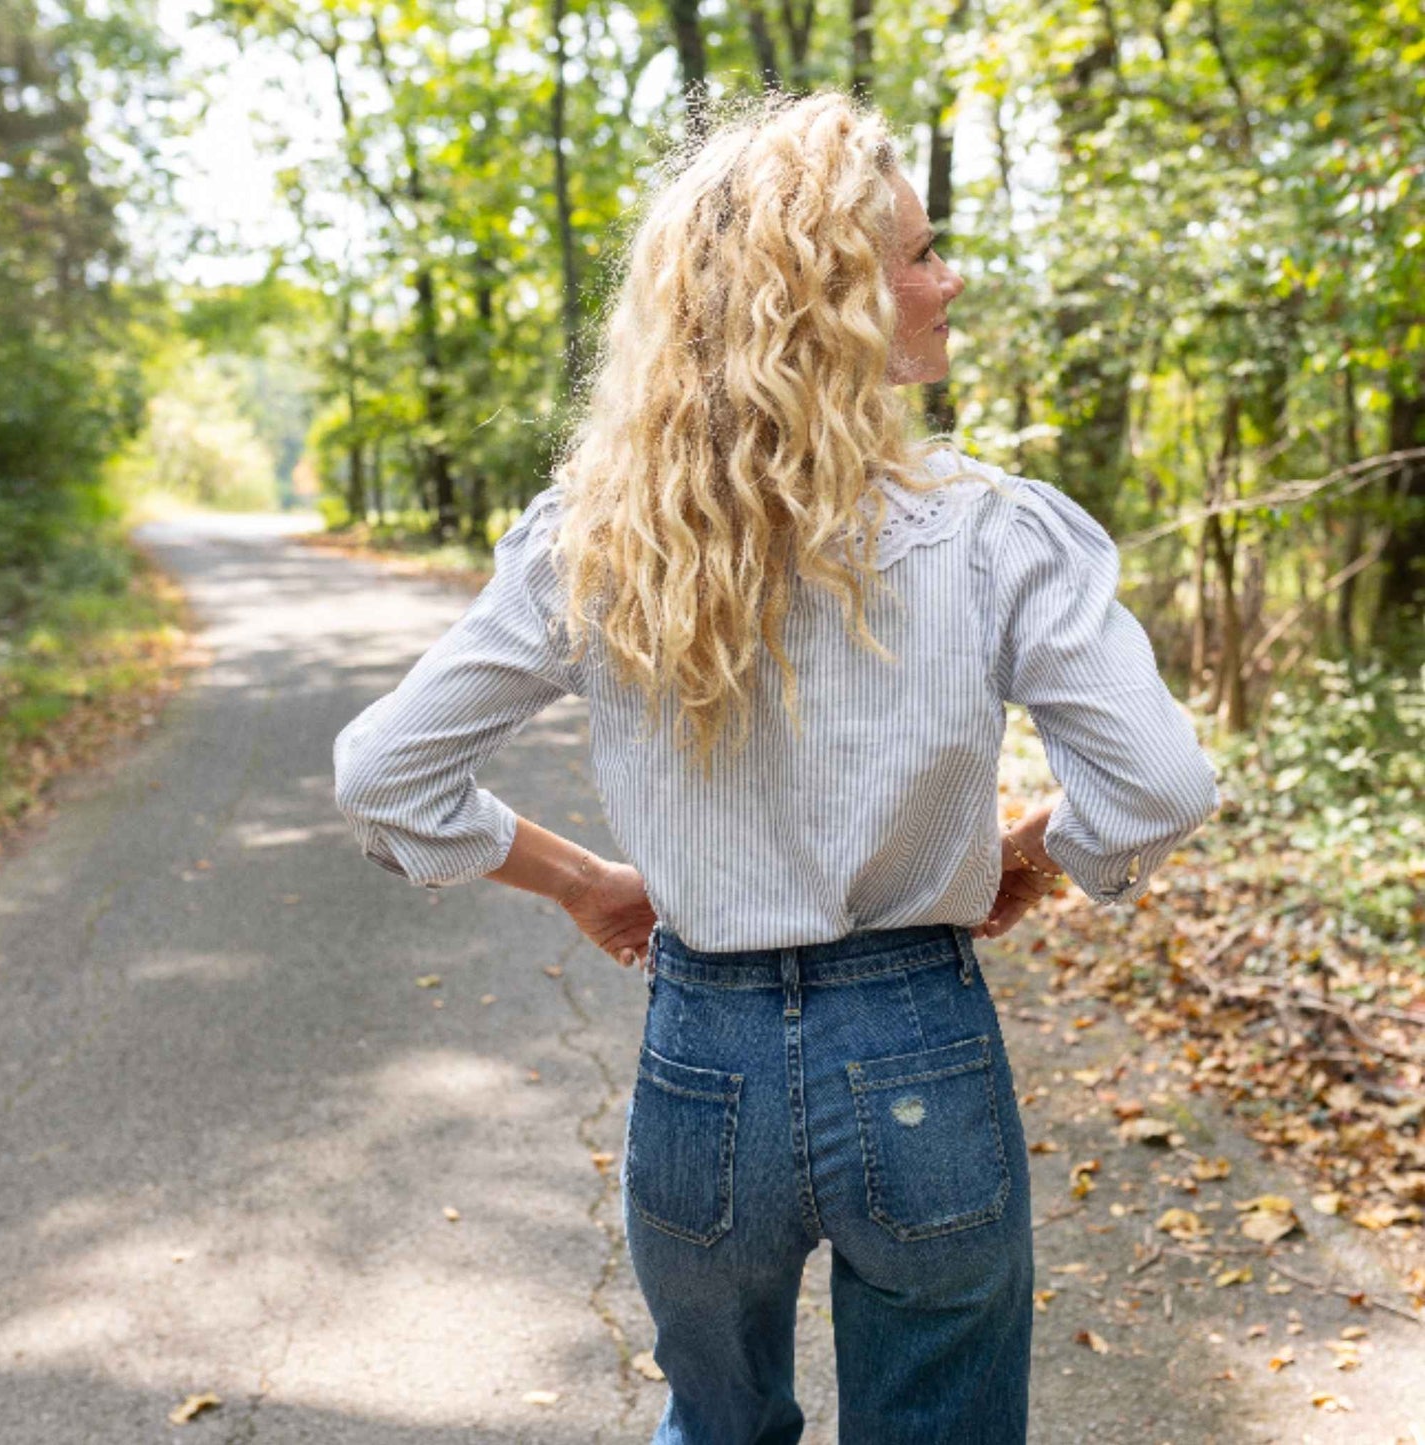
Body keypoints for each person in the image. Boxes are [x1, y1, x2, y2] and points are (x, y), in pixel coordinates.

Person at [333, 88, 1220, 1445]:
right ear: (831, 302)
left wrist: (580, 882)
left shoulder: (602, 538)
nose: (948, 276)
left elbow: (387, 771)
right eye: (919, 252)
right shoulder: (989, 537)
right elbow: (1155, 787)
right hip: (921, 1039)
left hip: (704, 1060)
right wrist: (1029, 852)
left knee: (715, 1424)